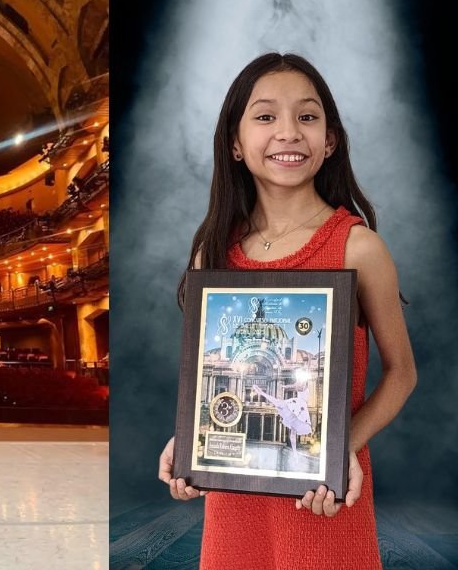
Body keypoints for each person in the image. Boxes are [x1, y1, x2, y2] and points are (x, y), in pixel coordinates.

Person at [157, 53, 417, 569]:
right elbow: (215, 375)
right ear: (235, 142)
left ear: (331, 139)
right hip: (234, 506)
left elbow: (403, 374)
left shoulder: (358, 247)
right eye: (265, 116)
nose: (288, 132)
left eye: (307, 116)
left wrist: (343, 448)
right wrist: (188, 442)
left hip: (324, 495)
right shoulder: (213, 252)